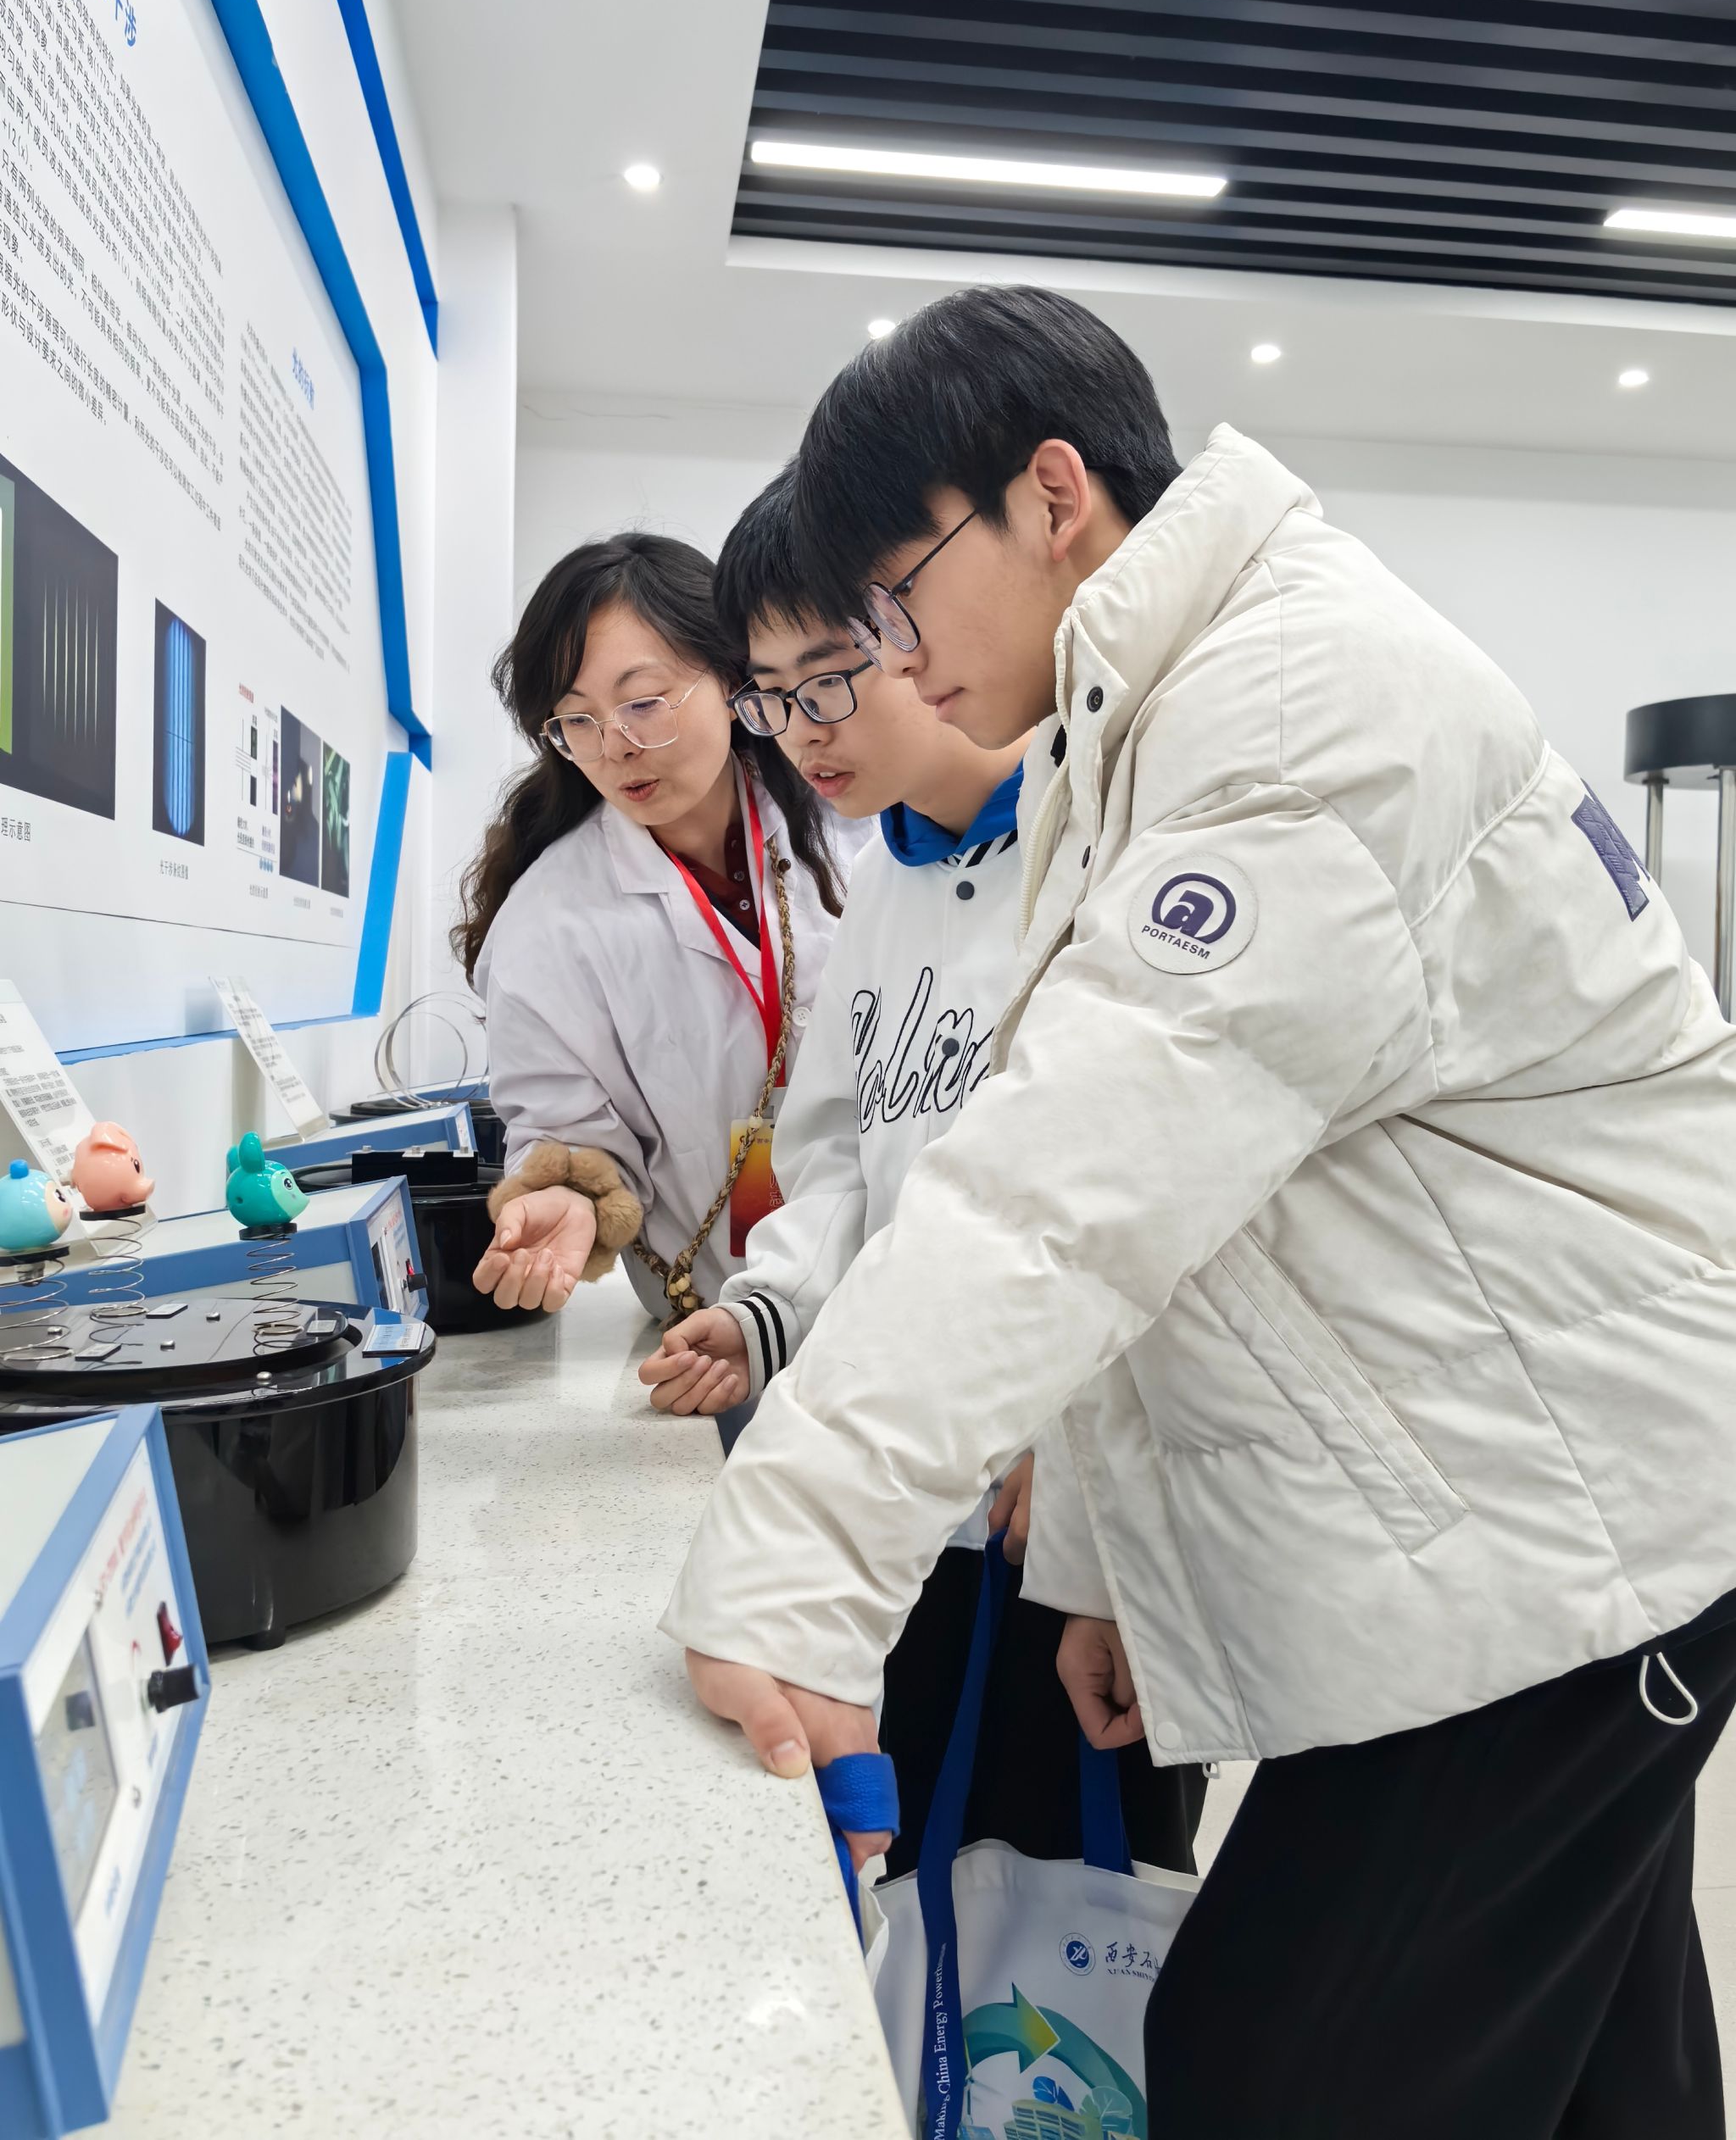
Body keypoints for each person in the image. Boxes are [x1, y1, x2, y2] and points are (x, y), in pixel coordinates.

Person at [659, 287, 1736, 2136]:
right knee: (1596, 2070)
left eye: (896, 604)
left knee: (1271, 2066)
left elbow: (1067, 1193)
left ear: (1049, 495)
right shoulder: (1147, 724)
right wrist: (1098, 1564)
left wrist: (794, 1572)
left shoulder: (1297, 714)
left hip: (1563, 1531)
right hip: (1527, 1494)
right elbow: (1183, 1216)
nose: (895, 667)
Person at [637, 472, 1205, 1877]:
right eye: (770, 695)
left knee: (1091, 1907)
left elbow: (1148, 1195)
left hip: (1065, 1517)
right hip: (921, 1509)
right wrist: (764, 1310)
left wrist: (1083, 1449)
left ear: (920, 630)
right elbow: (838, 1160)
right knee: (930, 1887)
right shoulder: (883, 889)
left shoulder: (1107, 850)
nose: (802, 729)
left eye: (830, 675)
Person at [456, 532, 861, 1344]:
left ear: (731, 678)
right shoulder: (548, 924)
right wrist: (568, 1196)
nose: (616, 747)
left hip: (894, 1289)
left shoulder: (855, 825)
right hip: (711, 1319)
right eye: (576, 720)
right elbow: (567, 1127)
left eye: (644, 702)